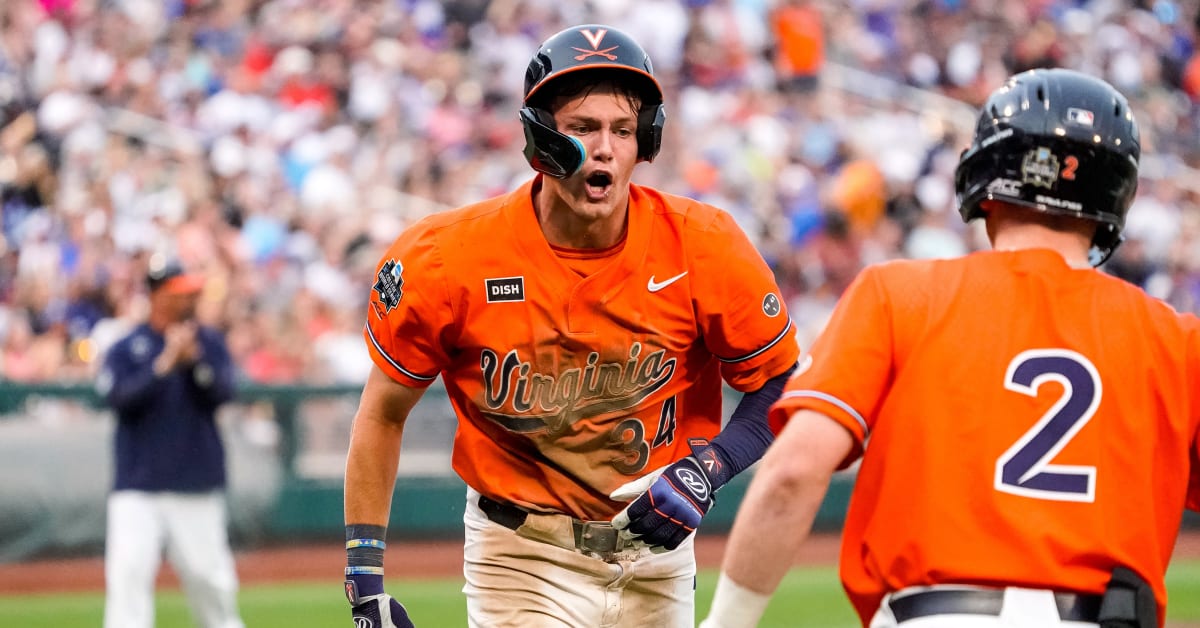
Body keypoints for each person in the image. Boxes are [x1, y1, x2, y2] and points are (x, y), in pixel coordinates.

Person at [701, 68, 1200, 628]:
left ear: (984, 171)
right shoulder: (1177, 339)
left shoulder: (899, 293)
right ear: (1118, 193)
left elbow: (794, 470)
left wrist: (727, 622)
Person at [341, 24, 800, 628]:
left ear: (647, 142)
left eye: (624, 130)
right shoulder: (447, 257)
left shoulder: (702, 245)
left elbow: (784, 380)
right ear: (540, 139)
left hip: (657, 560)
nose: (606, 147)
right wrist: (364, 579)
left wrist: (709, 468)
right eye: (583, 127)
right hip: (520, 553)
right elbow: (382, 413)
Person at [98, 256, 243, 628]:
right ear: (157, 295)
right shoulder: (127, 347)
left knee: (211, 583)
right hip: (138, 485)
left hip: (194, 481)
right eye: (179, 292)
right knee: (127, 581)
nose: (189, 299)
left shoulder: (207, 341)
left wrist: (193, 362)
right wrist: (164, 364)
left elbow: (224, 393)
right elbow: (119, 400)